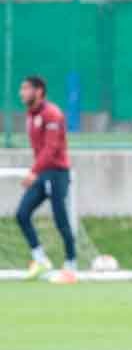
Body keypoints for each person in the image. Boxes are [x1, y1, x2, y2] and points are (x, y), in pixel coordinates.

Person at [16, 76, 77, 283]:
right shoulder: (31, 114)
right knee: (22, 214)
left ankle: (71, 265)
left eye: (25, 88)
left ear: (39, 91)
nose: (21, 93)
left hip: (57, 173)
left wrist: (34, 171)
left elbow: (51, 149)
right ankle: (40, 259)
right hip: (43, 173)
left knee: (61, 218)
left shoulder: (52, 114)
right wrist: (37, 171)